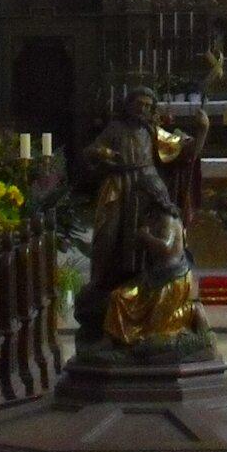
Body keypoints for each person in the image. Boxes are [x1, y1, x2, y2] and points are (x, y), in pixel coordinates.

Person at [80, 89, 210, 349]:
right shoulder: (116, 128)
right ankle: (105, 285)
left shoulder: (153, 132)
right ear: (128, 106)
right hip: (118, 185)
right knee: (108, 236)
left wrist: (203, 129)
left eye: (147, 105)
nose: (142, 109)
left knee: (155, 239)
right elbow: (91, 151)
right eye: (138, 104)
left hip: (149, 186)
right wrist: (103, 153)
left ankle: (147, 293)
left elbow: (187, 150)